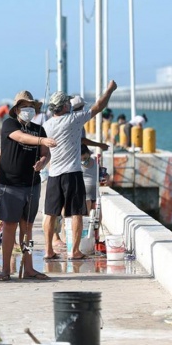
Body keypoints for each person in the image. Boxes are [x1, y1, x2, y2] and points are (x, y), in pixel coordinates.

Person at [42, 80, 117, 261]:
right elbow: (99, 107)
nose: (70, 104)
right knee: (76, 212)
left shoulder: (47, 126)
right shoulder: (73, 119)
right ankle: (74, 251)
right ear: (64, 106)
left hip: (53, 174)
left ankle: (47, 250)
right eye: (67, 102)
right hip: (72, 173)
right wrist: (109, 90)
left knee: (50, 213)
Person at [0, 90, 56, 281]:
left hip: (32, 184)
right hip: (11, 184)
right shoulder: (9, 124)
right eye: (24, 107)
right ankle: (5, 269)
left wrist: (43, 161)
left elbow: (46, 153)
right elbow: (20, 137)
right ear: (17, 109)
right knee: (9, 226)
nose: (28, 110)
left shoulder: (39, 129)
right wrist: (41, 140)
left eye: (30, 106)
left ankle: (29, 267)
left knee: (28, 228)